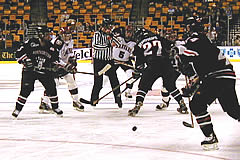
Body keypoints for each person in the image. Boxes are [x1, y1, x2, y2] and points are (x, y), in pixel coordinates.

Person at [174, 17, 240, 150]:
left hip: (217, 77)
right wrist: (192, 86)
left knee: (197, 104)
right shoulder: (205, 41)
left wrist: (179, 51)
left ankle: (210, 138)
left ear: (190, 28)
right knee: (233, 110)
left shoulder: (194, 39)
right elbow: (204, 67)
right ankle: (210, 137)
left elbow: (188, 53)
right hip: (225, 76)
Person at [128, 28, 188, 117]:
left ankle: (138, 104)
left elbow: (139, 60)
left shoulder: (139, 45)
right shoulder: (158, 37)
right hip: (166, 63)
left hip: (153, 65)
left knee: (143, 87)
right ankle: (182, 104)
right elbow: (170, 46)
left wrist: (138, 70)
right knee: (170, 86)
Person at [12, 26, 63, 118]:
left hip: (44, 71)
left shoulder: (51, 47)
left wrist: (60, 66)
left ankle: (55, 107)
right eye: (47, 35)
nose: (49, 37)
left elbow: (55, 60)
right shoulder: (31, 43)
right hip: (29, 71)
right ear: (41, 35)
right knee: (25, 90)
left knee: (52, 88)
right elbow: (18, 54)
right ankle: (17, 109)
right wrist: (26, 61)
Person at [39, 26, 84, 113]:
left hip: (63, 65)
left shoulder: (71, 41)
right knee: (53, 84)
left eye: (68, 35)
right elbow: (55, 58)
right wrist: (66, 65)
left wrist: (73, 61)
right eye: (65, 35)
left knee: (71, 80)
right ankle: (44, 102)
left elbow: (69, 53)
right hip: (53, 65)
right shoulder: (57, 43)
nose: (67, 37)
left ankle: (75, 101)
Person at [80, 19, 122, 108]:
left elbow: (118, 44)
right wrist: (109, 45)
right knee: (98, 82)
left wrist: (111, 37)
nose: (109, 29)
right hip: (99, 61)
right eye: (107, 27)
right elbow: (96, 46)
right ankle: (93, 100)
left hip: (109, 61)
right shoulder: (97, 34)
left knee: (114, 80)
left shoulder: (111, 35)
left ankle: (118, 99)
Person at [112, 25, 136, 98]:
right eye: (127, 32)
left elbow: (135, 54)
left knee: (131, 75)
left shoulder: (134, 43)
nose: (128, 34)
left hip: (125, 61)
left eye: (130, 32)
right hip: (114, 60)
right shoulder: (118, 38)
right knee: (106, 77)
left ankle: (128, 91)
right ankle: (97, 93)